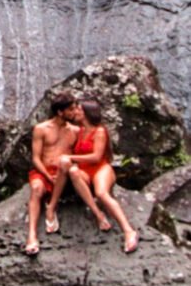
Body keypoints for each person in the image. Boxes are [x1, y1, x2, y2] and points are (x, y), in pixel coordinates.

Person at [49, 96, 139, 254]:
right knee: (73, 171)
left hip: (101, 168)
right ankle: (98, 214)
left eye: (78, 109)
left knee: (102, 193)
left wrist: (70, 157)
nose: (75, 111)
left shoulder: (100, 131)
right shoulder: (80, 130)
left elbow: (96, 157)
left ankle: (129, 231)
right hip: (84, 171)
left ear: (87, 112)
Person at [25, 93, 79, 255]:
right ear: (60, 112)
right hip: (44, 172)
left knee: (66, 166)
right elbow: (35, 158)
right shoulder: (41, 129)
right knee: (36, 189)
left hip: (64, 173)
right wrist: (48, 177)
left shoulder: (75, 130)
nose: (75, 112)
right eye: (71, 109)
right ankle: (32, 235)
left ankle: (51, 206)